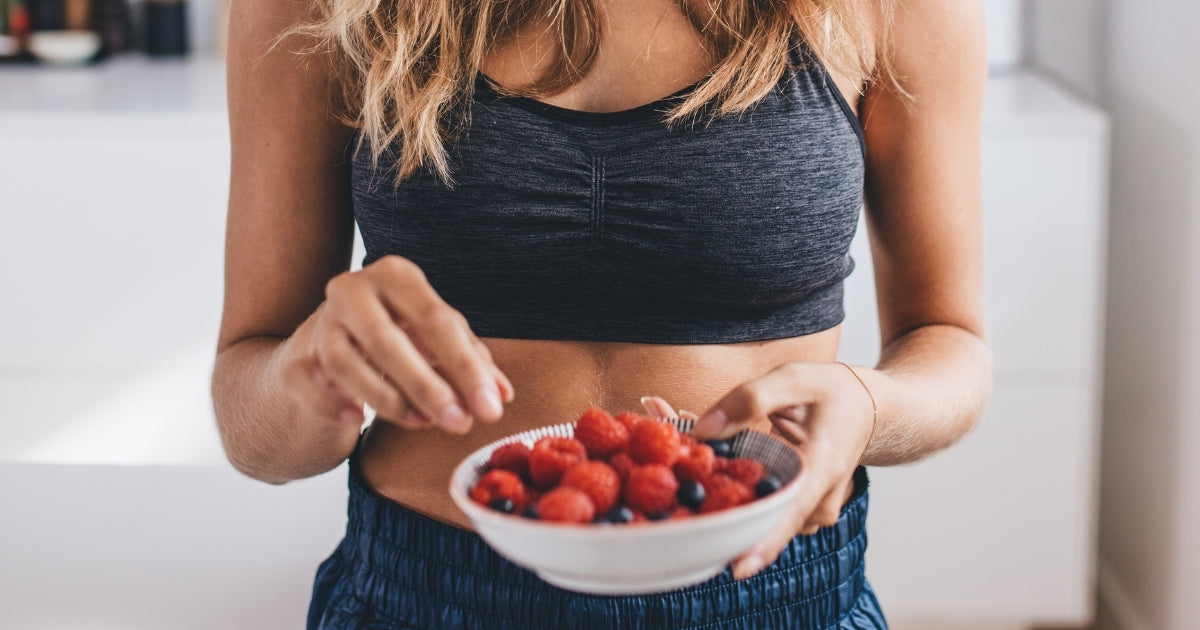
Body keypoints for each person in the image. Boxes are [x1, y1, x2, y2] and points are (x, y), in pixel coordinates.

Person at [213, 0, 990, 626]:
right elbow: (254, 425)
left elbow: (951, 342)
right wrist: (310, 371)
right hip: (423, 594)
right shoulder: (314, 9)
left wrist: (869, 403)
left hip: (775, 596)